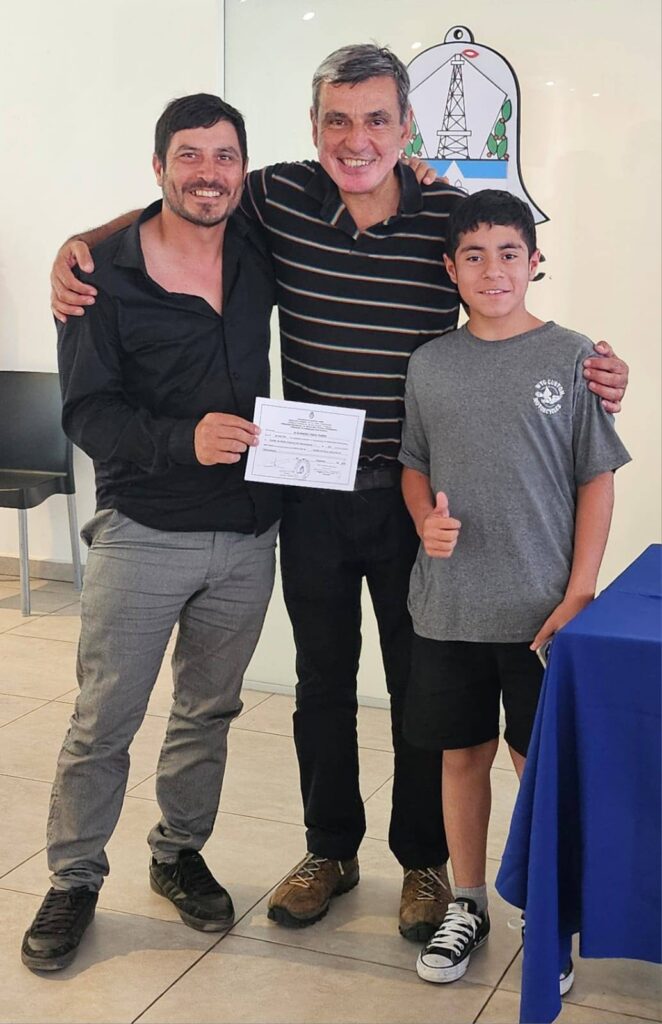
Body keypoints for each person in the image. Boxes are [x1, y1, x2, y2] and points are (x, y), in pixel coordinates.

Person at [48, 45, 630, 943]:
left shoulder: (445, 213)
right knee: (322, 683)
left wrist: (590, 368)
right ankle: (329, 849)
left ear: (407, 129)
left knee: (416, 686)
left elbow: (506, 298)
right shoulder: (279, 195)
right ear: (314, 127)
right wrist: (80, 244)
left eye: (376, 120)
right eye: (337, 120)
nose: (356, 140)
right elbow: (189, 199)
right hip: (309, 489)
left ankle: (424, 863)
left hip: (418, 501)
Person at [21, 94, 281, 973]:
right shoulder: (100, 276)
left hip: (246, 533)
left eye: (224, 156)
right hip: (143, 530)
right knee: (105, 718)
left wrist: (422, 172)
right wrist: (183, 440)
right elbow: (86, 412)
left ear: (243, 168)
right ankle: (73, 877)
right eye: (189, 156)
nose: (208, 173)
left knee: (208, 710)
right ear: (159, 166)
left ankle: (178, 852)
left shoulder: (256, 247)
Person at [399, 189, 630, 991]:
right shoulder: (430, 364)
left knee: (541, 766)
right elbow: (414, 464)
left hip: (543, 615)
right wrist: (424, 518)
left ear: (535, 262)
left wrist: (581, 592)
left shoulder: (573, 357)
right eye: (473, 255)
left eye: (508, 253)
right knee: (462, 756)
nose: (492, 270)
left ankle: (547, 907)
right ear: (450, 269)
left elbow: (596, 478)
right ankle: (467, 902)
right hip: (450, 608)